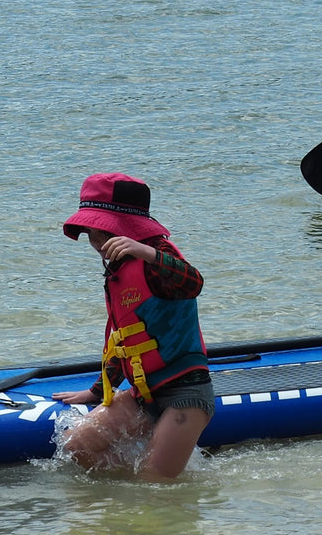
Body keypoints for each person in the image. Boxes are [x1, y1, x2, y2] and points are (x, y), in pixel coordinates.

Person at [52, 173, 213, 479]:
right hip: (143, 394)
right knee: (77, 446)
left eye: (101, 233)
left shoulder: (157, 260)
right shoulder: (119, 270)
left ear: (124, 229)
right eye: (90, 235)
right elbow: (125, 339)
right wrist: (98, 391)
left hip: (185, 394)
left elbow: (194, 282)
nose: (96, 244)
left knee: (152, 483)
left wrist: (146, 253)